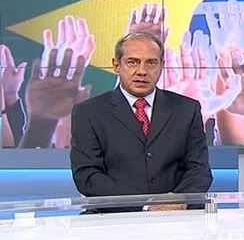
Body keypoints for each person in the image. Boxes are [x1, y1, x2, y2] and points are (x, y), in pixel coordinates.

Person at [70, 32, 212, 205]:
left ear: (162, 66)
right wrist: (144, 205)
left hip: (176, 215)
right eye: (132, 62)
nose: (142, 71)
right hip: (114, 216)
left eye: (151, 63)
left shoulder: (187, 109)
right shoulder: (89, 112)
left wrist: (177, 201)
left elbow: (199, 171)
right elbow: (88, 176)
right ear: (116, 65)